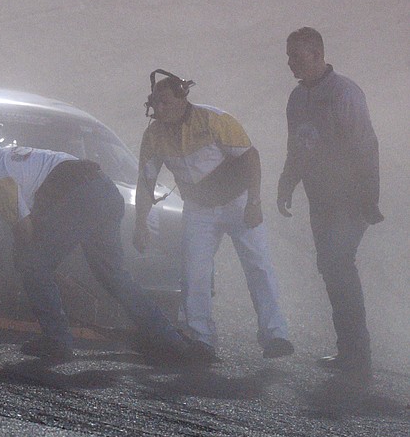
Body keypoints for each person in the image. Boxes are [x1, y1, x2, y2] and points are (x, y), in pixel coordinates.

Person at [0, 123, 192, 364]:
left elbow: (25, 229)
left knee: (34, 266)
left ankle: (58, 341)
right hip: (104, 190)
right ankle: (169, 340)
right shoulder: (9, 155)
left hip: (82, 200)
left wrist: (25, 260)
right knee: (115, 277)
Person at [135, 71, 292, 363]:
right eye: (156, 103)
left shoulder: (215, 120)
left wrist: (254, 202)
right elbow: (145, 182)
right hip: (198, 208)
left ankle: (275, 335)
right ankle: (202, 339)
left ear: (183, 98)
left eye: (166, 102)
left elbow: (250, 157)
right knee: (194, 271)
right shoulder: (153, 135)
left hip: (238, 201)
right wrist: (139, 223)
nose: (160, 109)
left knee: (258, 265)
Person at [279, 27, 382, 381]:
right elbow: (297, 146)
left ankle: (358, 354)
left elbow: (366, 146)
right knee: (331, 267)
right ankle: (349, 350)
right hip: (320, 198)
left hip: (349, 198)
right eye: (289, 54)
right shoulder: (297, 99)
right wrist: (286, 183)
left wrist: (369, 198)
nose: (289, 62)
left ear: (317, 54)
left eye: (296, 55)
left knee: (338, 265)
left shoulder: (345, 93)